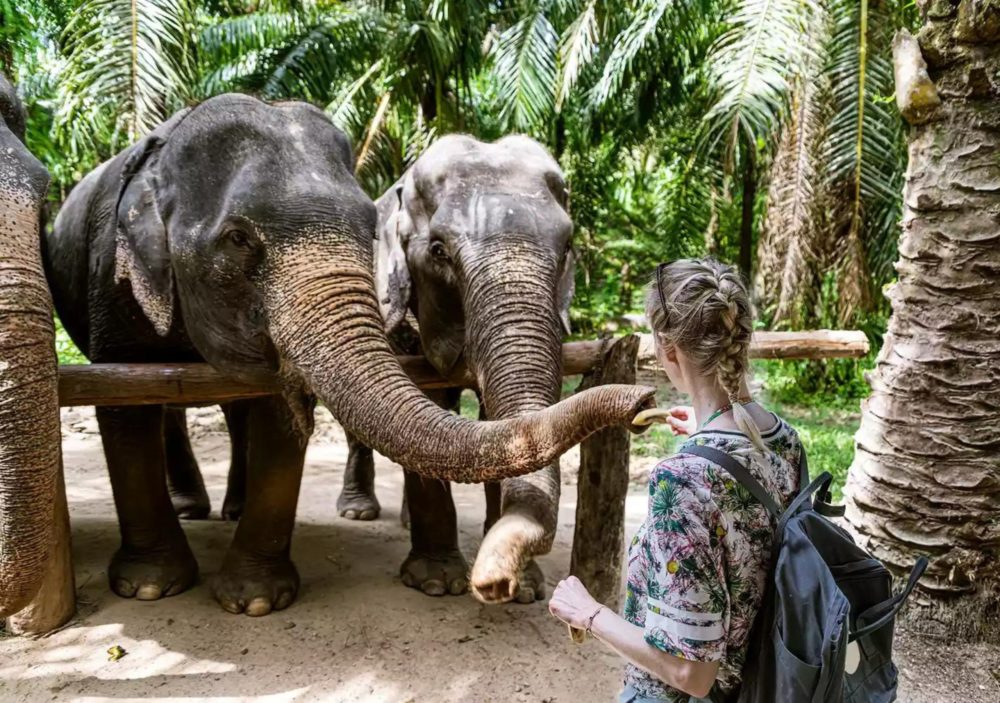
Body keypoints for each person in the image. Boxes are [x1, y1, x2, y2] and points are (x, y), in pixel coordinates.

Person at [548, 258, 804, 702]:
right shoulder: (784, 440)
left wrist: (589, 613)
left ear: (668, 349)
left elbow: (690, 673)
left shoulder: (681, 482)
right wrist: (707, 438)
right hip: (760, 683)